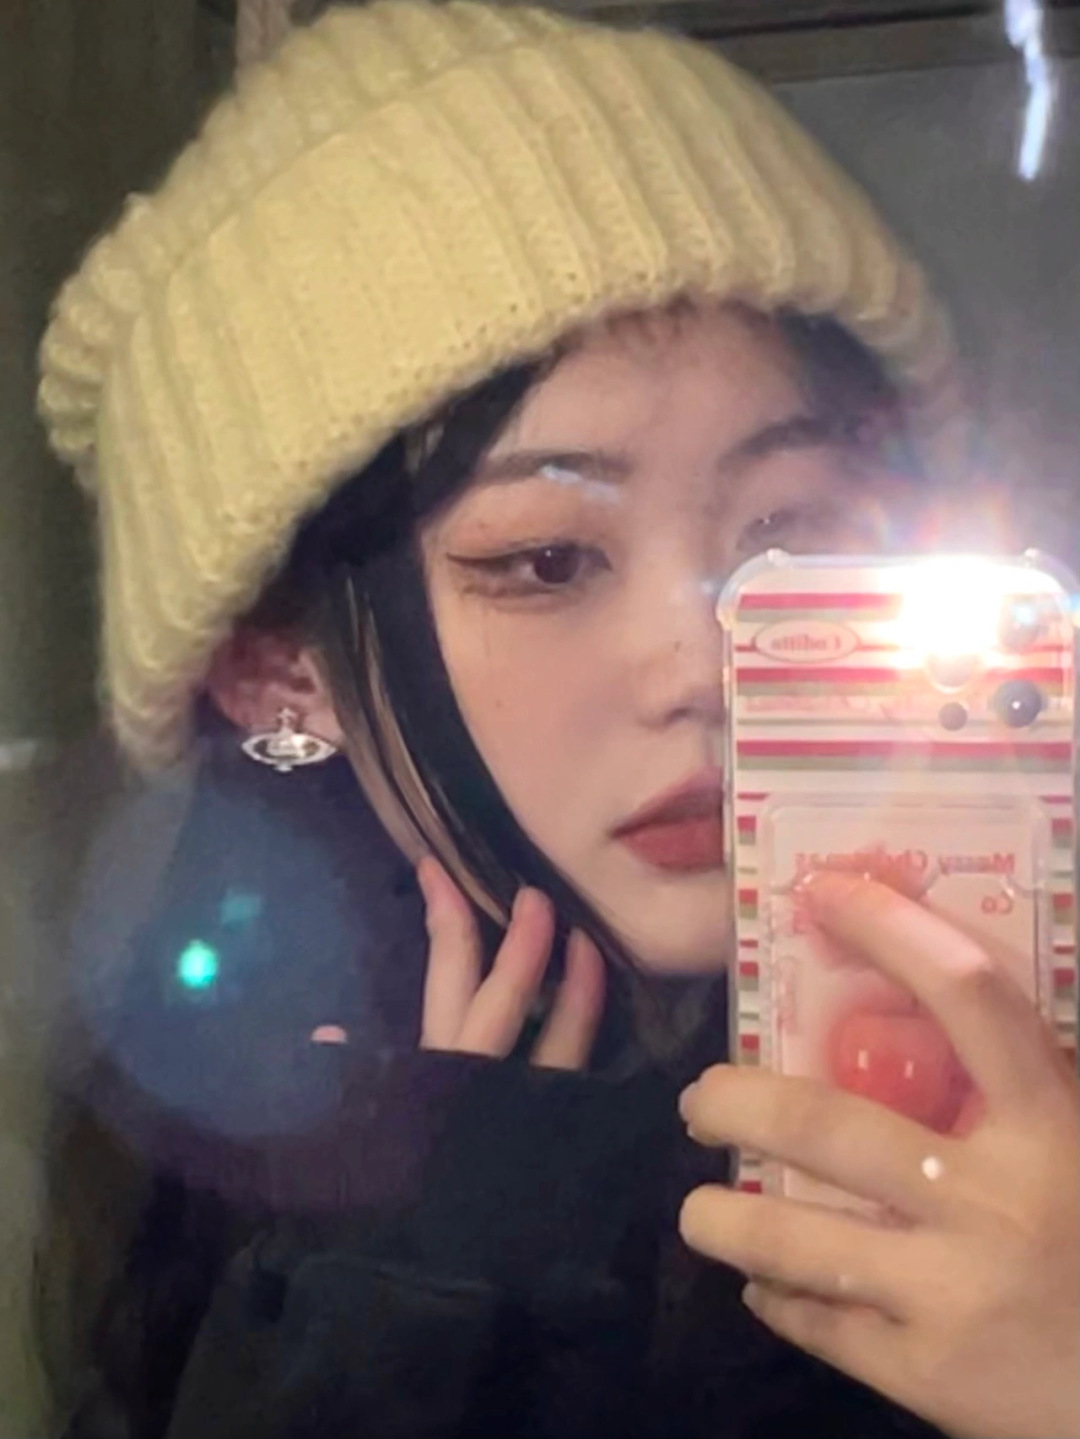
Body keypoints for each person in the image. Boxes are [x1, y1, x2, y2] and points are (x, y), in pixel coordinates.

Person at [37, 3, 1078, 1437]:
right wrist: (406, 1313)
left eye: (789, 532)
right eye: (544, 560)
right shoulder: (230, 1189)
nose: (702, 662)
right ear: (279, 670)